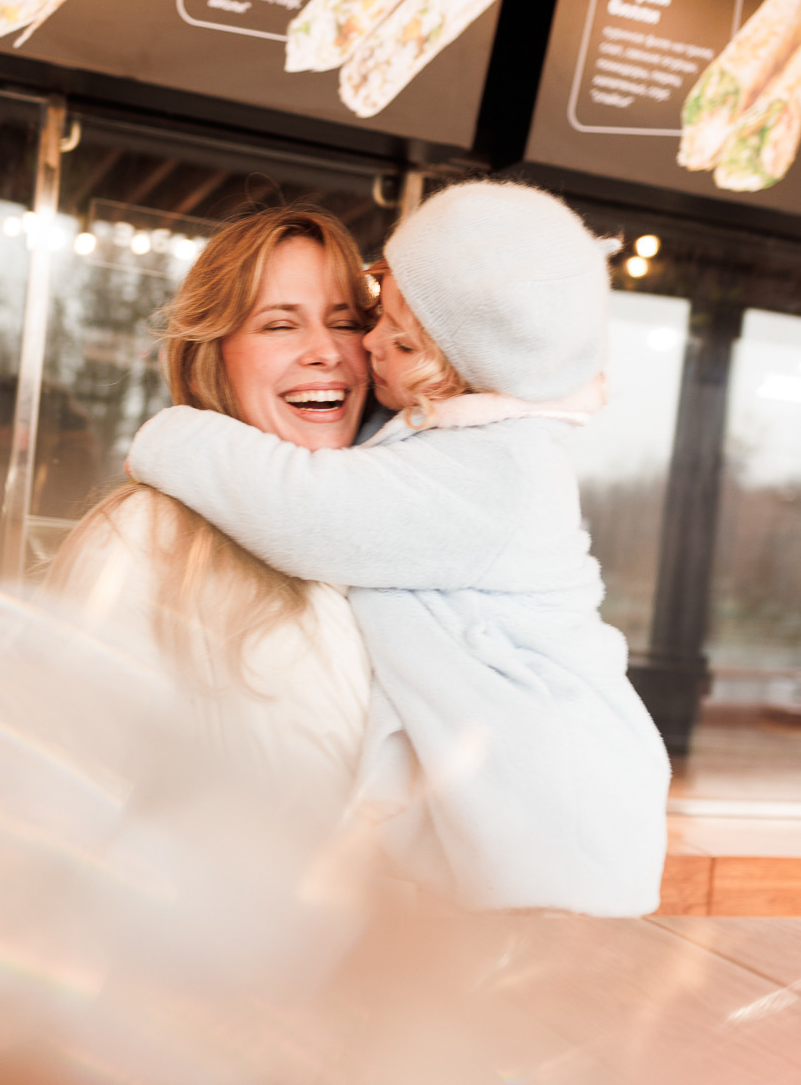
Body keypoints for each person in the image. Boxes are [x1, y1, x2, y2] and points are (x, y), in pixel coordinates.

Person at [125, 179, 673, 917]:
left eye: (393, 335)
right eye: (379, 311)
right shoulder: (445, 437)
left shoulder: (494, 472)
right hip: (489, 841)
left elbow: (304, 508)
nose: (362, 345)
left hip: (554, 826)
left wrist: (169, 432)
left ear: (458, 372)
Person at [47, 204, 376, 833]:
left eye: (346, 323)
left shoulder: (403, 547)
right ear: (213, 354)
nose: (325, 352)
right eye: (280, 325)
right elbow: (67, 800)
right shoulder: (147, 540)